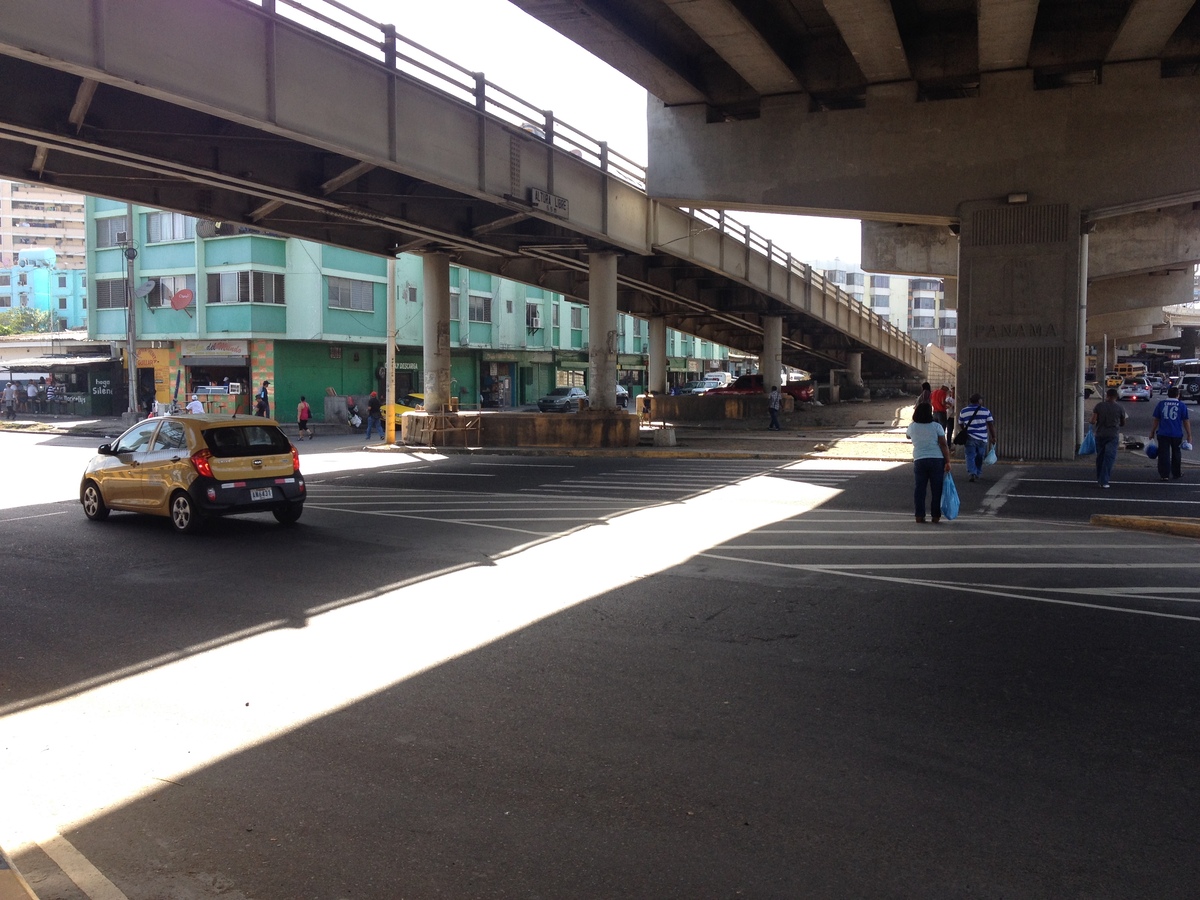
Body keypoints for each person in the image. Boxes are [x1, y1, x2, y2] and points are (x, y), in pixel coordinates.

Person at [905, 401, 952, 523]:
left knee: (920, 488)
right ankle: (935, 516)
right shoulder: (936, 426)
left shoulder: (912, 427)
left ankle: (919, 515)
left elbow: (908, 436)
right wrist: (947, 461)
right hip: (937, 460)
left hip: (920, 459)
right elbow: (943, 444)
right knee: (937, 489)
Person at [1149, 386, 1192, 481]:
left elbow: (1156, 419)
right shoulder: (1181, 406)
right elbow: (1186, 421)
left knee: (1163, 454)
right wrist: (1189, 434)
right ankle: (1176, 473)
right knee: (1176, 453)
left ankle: (1164, 474)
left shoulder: (1161, 404)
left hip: (1163, 433)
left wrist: (1152, 432)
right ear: (1178, 395)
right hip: (1176, 434)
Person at [1089, 388, 1126, 489]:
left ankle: (1099, 479)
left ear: (1107, 395)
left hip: (1100, 434)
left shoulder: (1099, 406)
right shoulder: (1120, 407)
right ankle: (1104, 481)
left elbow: (1093, 421)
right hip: (1112, 435)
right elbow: (1123, 423)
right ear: (1116, 397)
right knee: (1109, 458)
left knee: (1100, 457)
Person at [956, 393, 996, 482]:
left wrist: (965, 430)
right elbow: (990, 425)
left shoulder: (964, 411)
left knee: (970, 455)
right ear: (979, 401)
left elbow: (960, 423)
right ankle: (977, 472)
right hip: (982, 438)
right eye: (981, 399)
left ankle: (972, 473)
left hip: (969, 437)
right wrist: (993, 437)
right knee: (980, 456)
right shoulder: (985, 411)